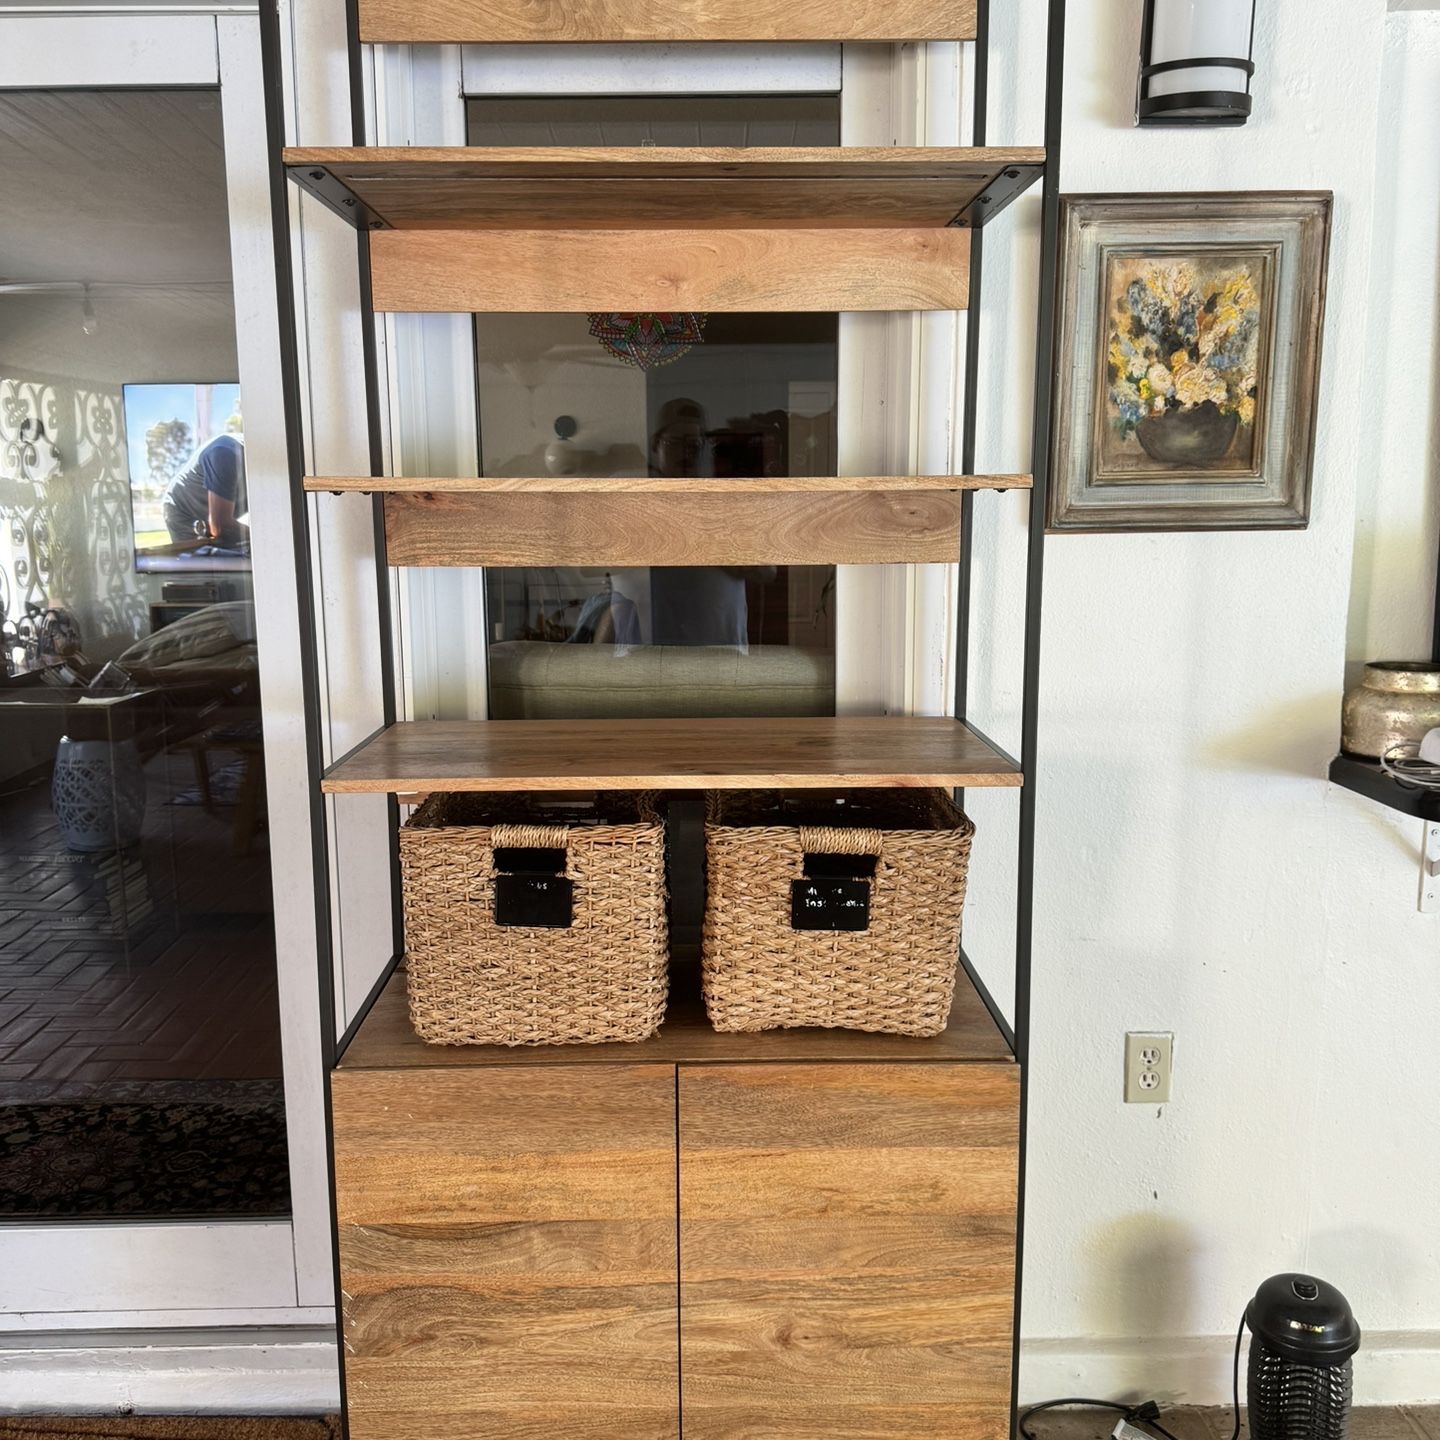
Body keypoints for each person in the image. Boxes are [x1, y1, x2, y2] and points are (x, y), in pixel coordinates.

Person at [163, 432, 247, 546]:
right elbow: (220, 525)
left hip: (213, 514)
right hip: (184, 509)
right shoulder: (225, 452)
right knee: (199, 560)